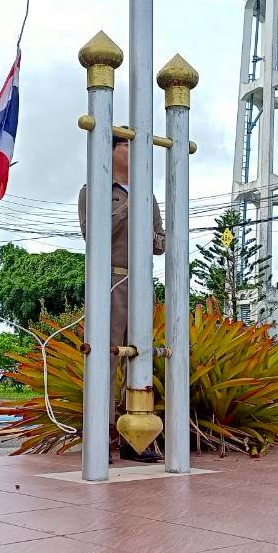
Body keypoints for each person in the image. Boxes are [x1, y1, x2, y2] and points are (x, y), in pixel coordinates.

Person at [77, 135, 165, 463]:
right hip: (110, 280)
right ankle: (101, 436)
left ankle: (136, 437)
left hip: (142, 281)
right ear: (112, 150)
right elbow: (94, 234)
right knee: (105, 357)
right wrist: (128, 208)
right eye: (126, 144)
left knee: (139, 358)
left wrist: (161, 235)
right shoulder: (94, 191)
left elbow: (159, 241)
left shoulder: (148, 196)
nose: (132, 150)